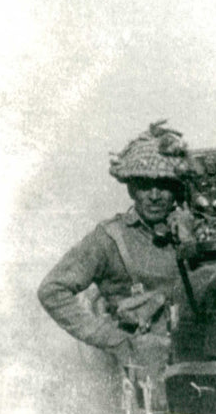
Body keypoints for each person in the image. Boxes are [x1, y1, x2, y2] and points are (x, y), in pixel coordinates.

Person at [37, 120, 191, 372]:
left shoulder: (194, 232)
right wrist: (112, 339)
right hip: (135, 371)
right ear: (131, 189)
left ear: (177, 191)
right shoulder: (109, 238)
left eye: (164, 185)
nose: (154, 195)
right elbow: (52, 290)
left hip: (194, 364)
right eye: (144, 185)